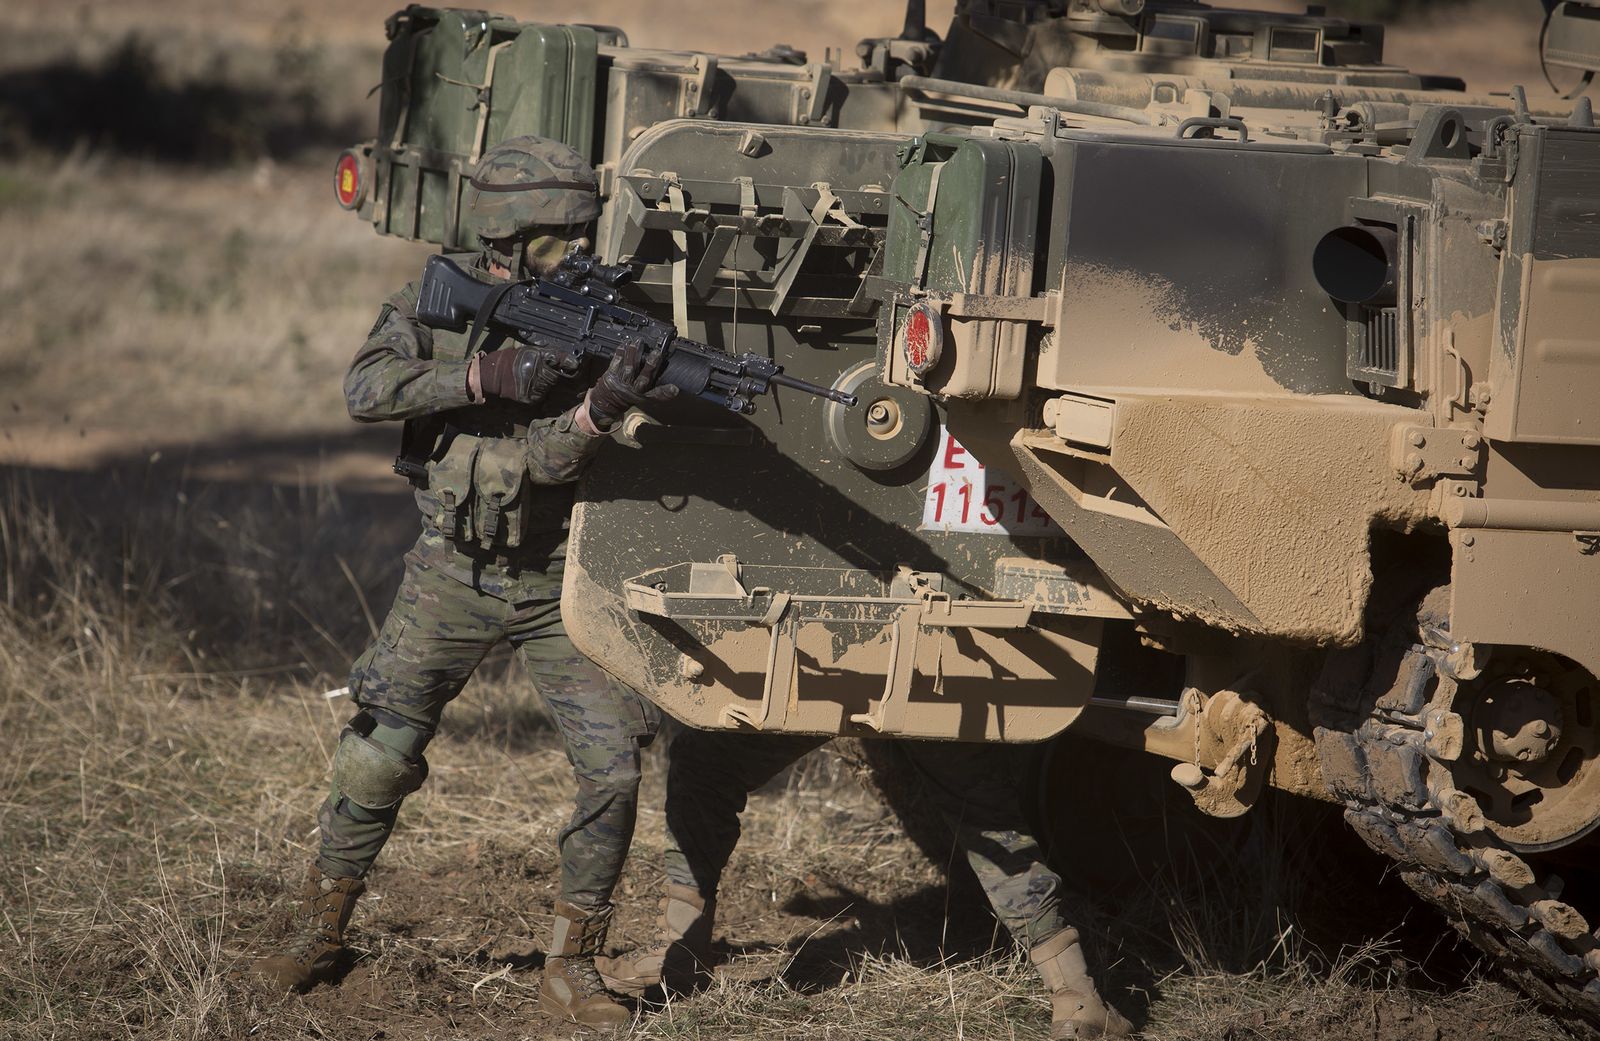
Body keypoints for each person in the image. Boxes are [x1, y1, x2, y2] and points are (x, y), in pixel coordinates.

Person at [252, 135, 675, 1028]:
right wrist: (483, 373)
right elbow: (365, 388)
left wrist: (605, 407)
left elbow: (553, 461)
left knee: (614, 771)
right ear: (510, 237)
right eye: (557, 236)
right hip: (452, 567)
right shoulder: (437, 299)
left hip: (561, 577)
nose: (573, 249)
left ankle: (572, 970)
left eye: (577, 233)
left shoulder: (607, 317)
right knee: (379, 750)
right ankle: (318, 927)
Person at [599, 729, 1134, 1039]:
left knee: (704, 763)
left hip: (814, 638)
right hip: (931, 639)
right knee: (983, 811)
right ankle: (1075, 994)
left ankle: (682, 956)